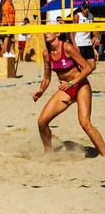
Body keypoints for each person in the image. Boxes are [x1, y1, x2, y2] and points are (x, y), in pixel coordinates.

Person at [32, 29, 105, 157]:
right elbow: (47, 77)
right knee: (42, 122)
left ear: (57, 33)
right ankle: (48, 153)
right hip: (66, 90)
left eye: (49, 31)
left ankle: (104, 154)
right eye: (45, 32)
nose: (46, 33)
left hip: (81, 85)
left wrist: (72, 83)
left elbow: (88, 68)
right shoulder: (46, 54)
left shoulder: (67, 48)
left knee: (85, 123)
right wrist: (41, 90)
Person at [71, 1, 99, 71]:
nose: (87, 9)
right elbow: (71, 31)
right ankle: (81, 79)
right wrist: (74, 44)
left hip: (88, 43)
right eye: (85, 8)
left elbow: (93, 28)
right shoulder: (77, 16)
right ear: (82, 8)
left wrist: (96, 37)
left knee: (93, 66)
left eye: (88, 8)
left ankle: (82, 77)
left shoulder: (91, 15)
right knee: (82, 66)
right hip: (79, 43)